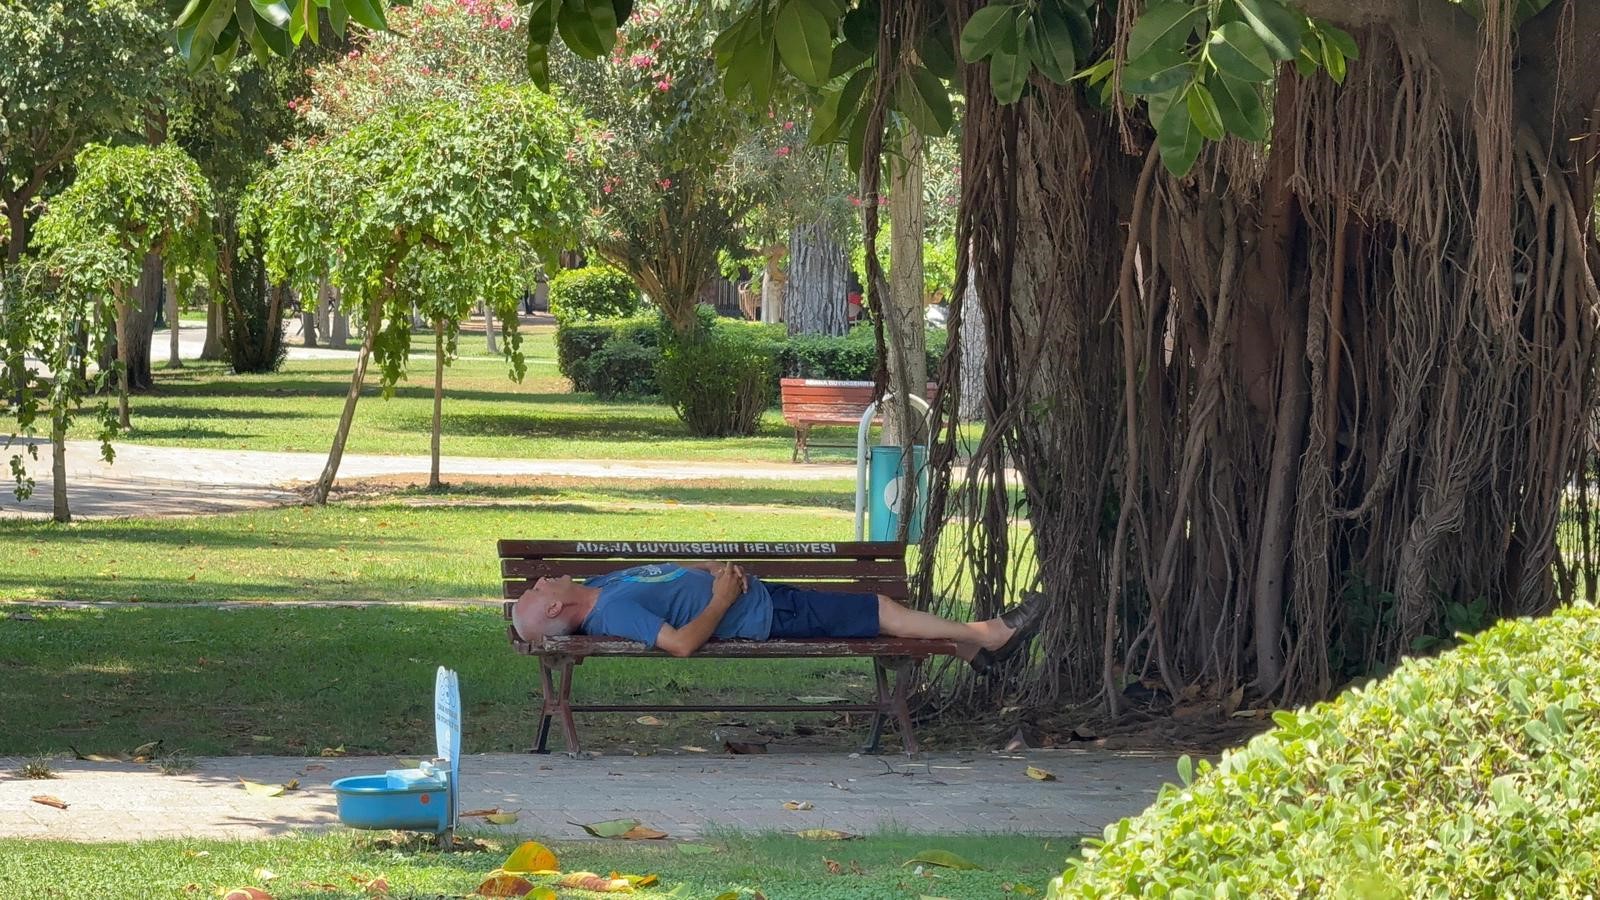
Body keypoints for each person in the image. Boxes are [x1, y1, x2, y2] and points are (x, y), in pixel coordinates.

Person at [510, 561, 1044, 672]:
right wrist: (721, 598)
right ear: (556, 608)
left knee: (878, 611)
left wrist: (709, 568)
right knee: (879, 610)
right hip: (765, 614)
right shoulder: (617, 613)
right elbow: (679, 646)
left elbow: (664, 572)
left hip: (759, 594)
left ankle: (970, 649)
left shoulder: (601, 587)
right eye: (537, 590)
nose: (539, 581)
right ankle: (991, 634)